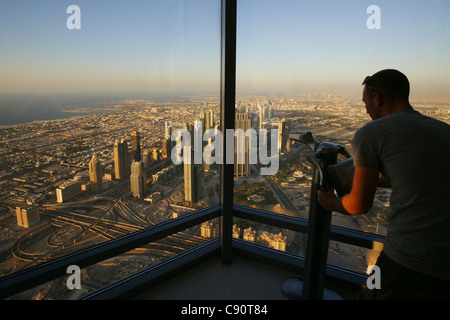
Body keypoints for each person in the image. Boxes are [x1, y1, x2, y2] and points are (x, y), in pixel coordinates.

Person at [317, 69, 450, 299]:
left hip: (406, 260)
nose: (365, 108)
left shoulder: (372, 133)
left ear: (377, 98)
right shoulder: (442, 129)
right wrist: (377, 182)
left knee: (370, 294)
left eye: (365, 102)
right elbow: (423, 176)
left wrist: (330, 202)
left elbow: (358, 206)